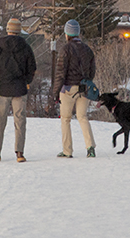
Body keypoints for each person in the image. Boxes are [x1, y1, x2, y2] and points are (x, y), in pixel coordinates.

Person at [0, 18, 36, 163]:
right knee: (20, 122)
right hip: (20, 89)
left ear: (8, 29)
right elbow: (32, 67)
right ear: (19, 31)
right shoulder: (25, 46)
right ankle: (19, 154)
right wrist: (26, 81)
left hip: (2, 89)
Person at [52, 19, 97, 158]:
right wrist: (86, 82)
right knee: (82, 117)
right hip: (84, 89)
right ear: (78, 33)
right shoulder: (87, 49)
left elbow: (60, 73)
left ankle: (67, 150)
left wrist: (55, 92)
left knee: (65, 119)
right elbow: (92, 71)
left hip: (68, 89)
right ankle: (90, 147)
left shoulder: (65, 50)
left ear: (67, 34)